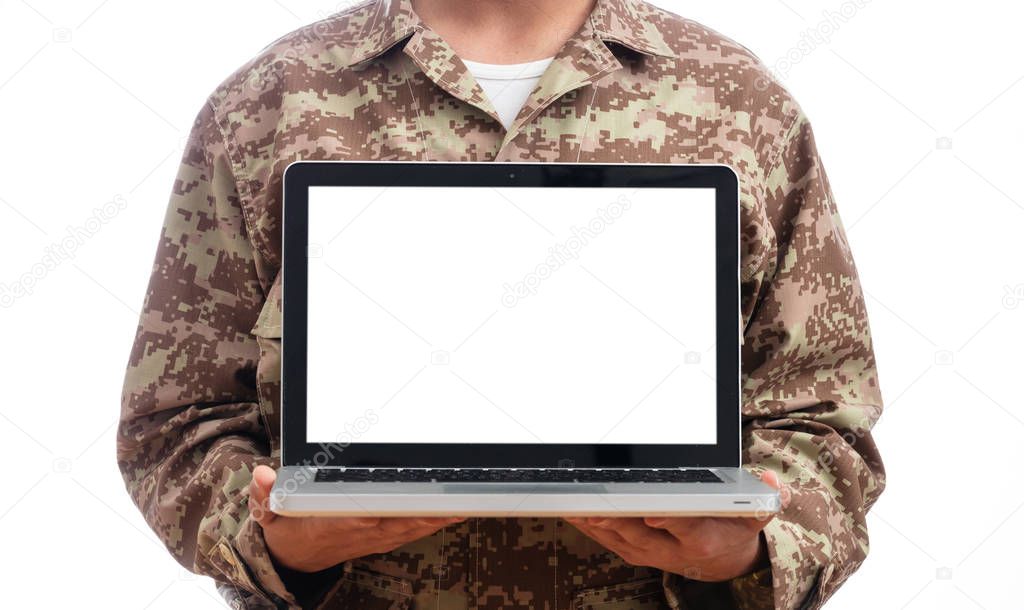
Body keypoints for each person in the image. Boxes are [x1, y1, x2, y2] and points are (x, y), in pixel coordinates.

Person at [117, 0, 885, 607]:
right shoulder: (271, 103)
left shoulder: (741, 106)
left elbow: (824, 423)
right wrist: (278, 544)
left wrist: (749, 550)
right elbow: (175, 424)